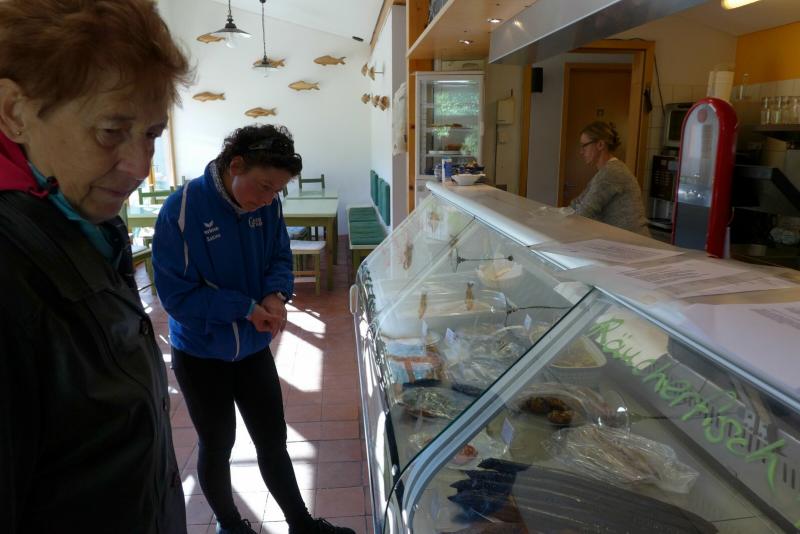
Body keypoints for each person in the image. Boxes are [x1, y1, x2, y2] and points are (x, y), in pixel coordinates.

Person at [0, 1, 191, 532]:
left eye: (152, 134)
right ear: (14, 112)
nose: (139, 166)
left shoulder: (84, 223)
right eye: (111, 130)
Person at [152, 124, 355, 534]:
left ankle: (301, 525)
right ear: (236, 165)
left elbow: (279, 255)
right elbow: (176, 297)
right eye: (264, 186)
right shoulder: (183, 209)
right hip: (201, 352)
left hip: (251, 348)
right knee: (217, 444)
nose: (267, 199)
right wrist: (244, 308)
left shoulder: (267, 205)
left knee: (272, 440)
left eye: (276, 191)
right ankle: (231, 526)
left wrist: (276, 295)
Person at [570, 121, 650, 235]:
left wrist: (559, 221)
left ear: (600, 145)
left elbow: (584, 212)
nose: (581, 152)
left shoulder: (611, 172)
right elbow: (577, 203)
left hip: (632, 241)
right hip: (624, 239)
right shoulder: (605, 171)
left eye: (584, 146)